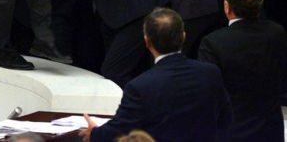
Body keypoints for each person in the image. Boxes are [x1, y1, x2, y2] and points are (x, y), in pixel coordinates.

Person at [81, 8, 232, 142]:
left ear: (147, 41)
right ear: (183, 37)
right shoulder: (210, 73)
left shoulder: (139, 87)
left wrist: (94, 134)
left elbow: (119, 130)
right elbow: (225, 118)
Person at [198, 0, 287, 142]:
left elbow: (209, 93)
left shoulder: (212, 43)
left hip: (232, 132)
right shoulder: (277, 33)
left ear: (227, 6)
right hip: (271, 130)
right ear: (260, 3)